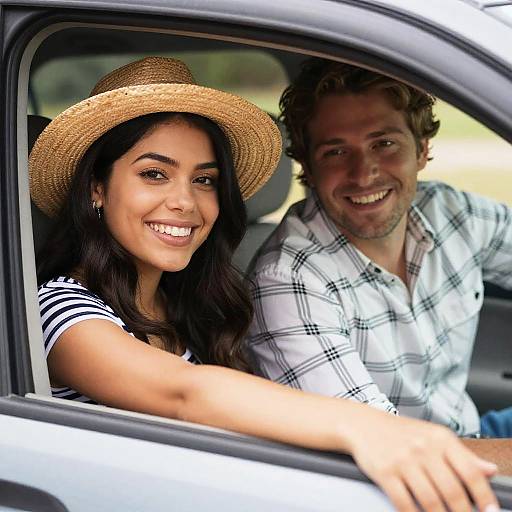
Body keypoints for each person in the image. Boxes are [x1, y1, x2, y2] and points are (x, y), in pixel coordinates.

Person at [30, 56, 500, 512]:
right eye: (154, 174)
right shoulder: (58, 311)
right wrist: (369, 428)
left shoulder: (191, 304)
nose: (184, 202)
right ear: (97, 187)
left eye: (205, 180)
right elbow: (184, 392)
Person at [247, 58, 512, 448]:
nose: (363, 173)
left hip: (470, 433)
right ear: (307, 166)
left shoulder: (452, 213)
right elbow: (392, 449)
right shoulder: (288, 279)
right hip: (407, 471)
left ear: (422, 149)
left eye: (384, 143)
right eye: (336, 152)